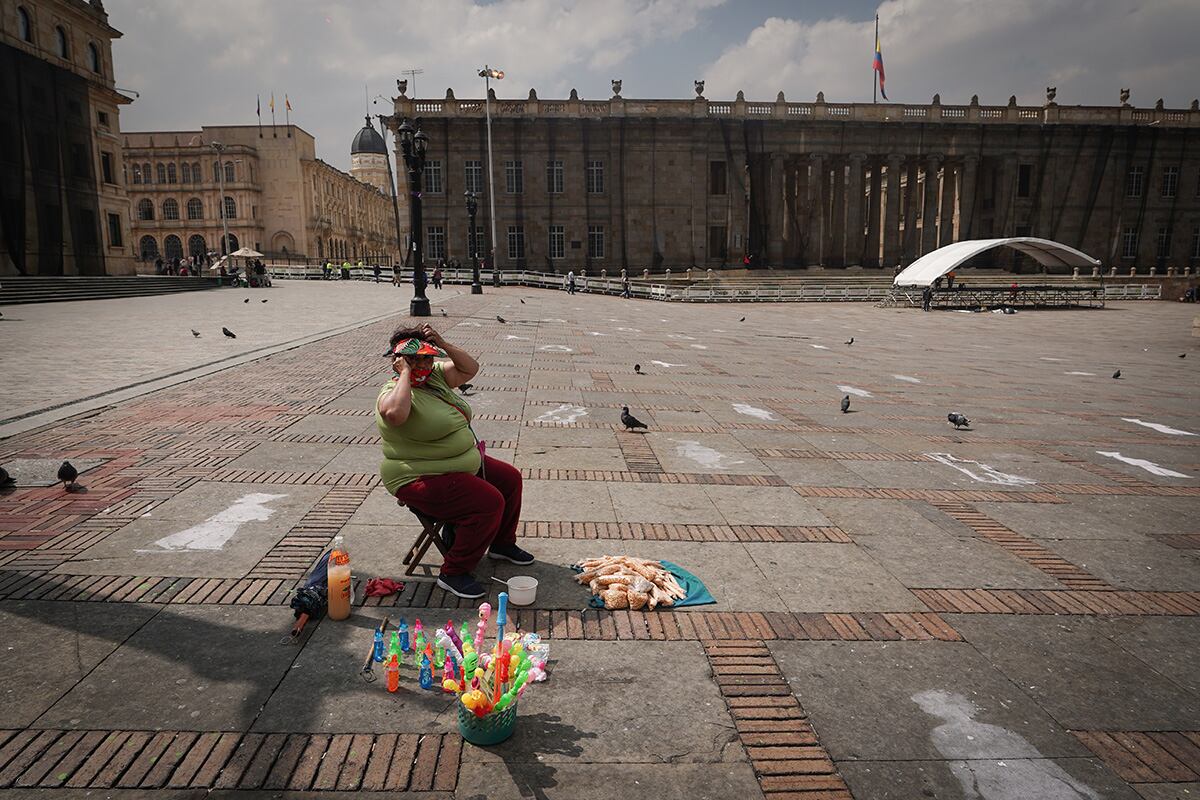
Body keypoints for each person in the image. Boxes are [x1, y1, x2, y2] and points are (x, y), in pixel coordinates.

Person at [377, 325, 533, 598]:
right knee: (489, 501)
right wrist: (404, 374)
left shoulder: (435, 377)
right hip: (418, 476)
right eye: (416, 359)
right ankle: (454, 572)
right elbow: (394, 415)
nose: (424, 364)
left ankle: (502, 544)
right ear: (399, 361)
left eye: (428, 357)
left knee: (509, 478)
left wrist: (443, 343)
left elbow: (470, 368)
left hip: (457, 465)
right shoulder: (393, 392)